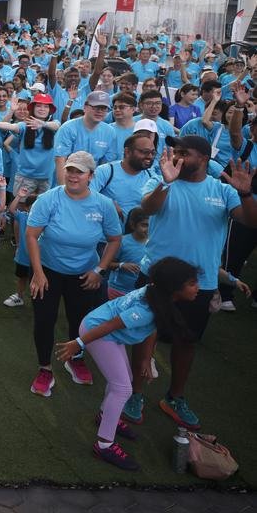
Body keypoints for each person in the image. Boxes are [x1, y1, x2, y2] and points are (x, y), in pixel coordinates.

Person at [134, 135, 257, 429]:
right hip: (156, 276)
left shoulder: (222, 190)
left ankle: (174, 397)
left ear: (203, 158)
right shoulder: (160, 181)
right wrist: (165, 183)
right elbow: (147, 209)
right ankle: (134, 393)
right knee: (143, 335)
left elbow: (251, 222)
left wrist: (246, 194)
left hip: (199, 284)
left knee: (186, 341)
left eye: (184, 152)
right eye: (175, 151)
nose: (177, 156)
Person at [54, 258, 200, 471]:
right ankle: (104, 445)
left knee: (124, 381)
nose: (198, 288)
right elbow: (111, 325)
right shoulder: (146, 310)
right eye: (192, 283)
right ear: (174, 288)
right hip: (99, 333)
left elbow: (152, 328)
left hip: (106, 332)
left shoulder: (157, 295)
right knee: (122, 388)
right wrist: (78, 343)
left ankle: (105, 416)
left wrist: (146, 359)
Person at [25, 151, 123, 398]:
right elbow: (31, 236)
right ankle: (45, 368)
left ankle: (75, 357)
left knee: (80, 320)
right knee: (44, 320)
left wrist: (99, 270)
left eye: (79, 171)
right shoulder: (48, 199)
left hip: (83, 274)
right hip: (48, 270)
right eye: (70, 170)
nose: (73, 175)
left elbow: (114, 239)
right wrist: (38, 273)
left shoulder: (103, 204)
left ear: (91, 176)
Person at [53, 91, 117, 184]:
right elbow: (60, 160)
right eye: (95, 107)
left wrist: (96, 187)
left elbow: (106, 165)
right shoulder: (68, 128)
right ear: (85, 107)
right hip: (68, 178)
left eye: (104, 108)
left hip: (92, 183)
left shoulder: (110, 132)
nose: (99, 111)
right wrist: (64, 188)